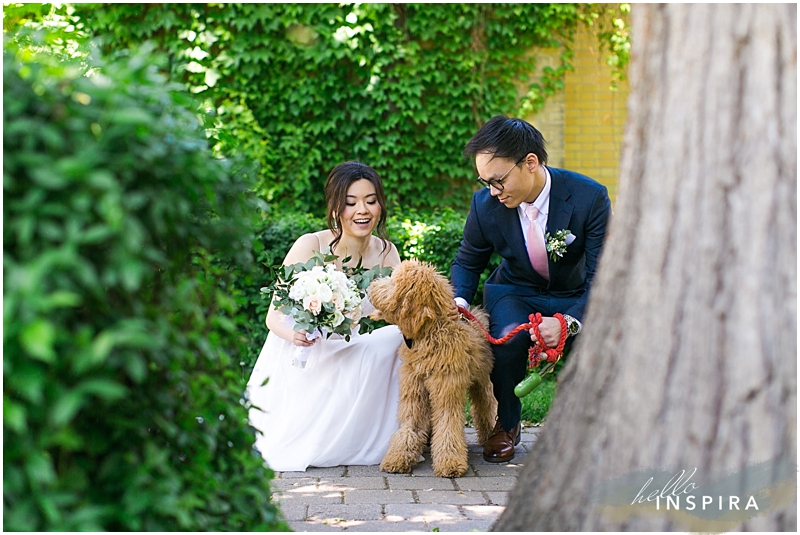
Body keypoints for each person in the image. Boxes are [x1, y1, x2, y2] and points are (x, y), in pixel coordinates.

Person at [451, 115, 612, 463]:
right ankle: (507, 424)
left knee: (599, 346)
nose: (493, 191)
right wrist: (458, 304)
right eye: (486, 182)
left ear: (530, 162)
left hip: (575, 294)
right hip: (516, 290)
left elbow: (603, 277)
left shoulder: (590, 197)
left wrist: (569, 322)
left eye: (499, 180)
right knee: (507, 340)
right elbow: (467, 262)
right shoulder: (484, 206)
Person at [246, 161, 404, 471]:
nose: (363, 210)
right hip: (316, 351)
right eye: (351, 202)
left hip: (363, 347)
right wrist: (294, 334)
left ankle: (386, 434)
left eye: (371, 201)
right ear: (335, 207)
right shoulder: (311, 245)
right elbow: (274, 316)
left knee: (396, 338)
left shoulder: (388, 252)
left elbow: (400, 315)